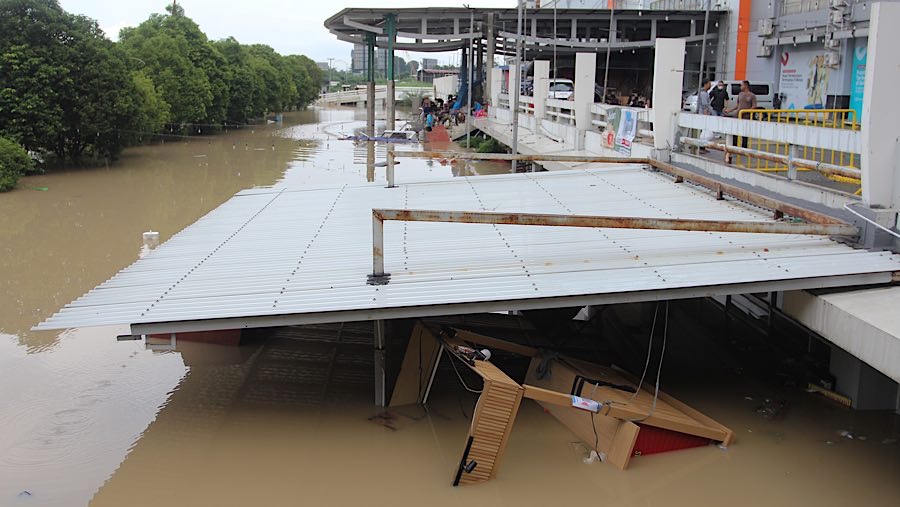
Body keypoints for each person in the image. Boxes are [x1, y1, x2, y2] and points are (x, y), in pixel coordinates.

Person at [724, 80, 758, 163]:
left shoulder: (752, 95)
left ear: (746, 85)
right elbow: (737, 105)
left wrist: (747, 111)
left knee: (744, 134)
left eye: (741, 85)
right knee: (735, 132)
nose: (740, 87)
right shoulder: (740, 94)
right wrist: (729, 110)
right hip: (737, 116)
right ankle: (735, 147)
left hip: (746, 117)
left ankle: (744, 149)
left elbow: (754, 106)